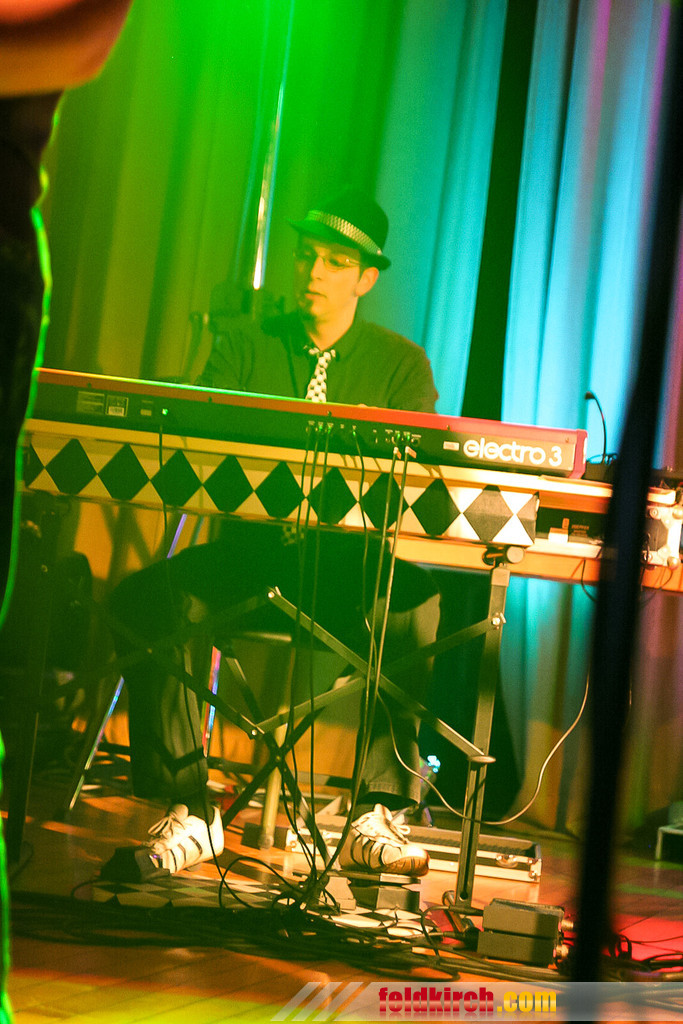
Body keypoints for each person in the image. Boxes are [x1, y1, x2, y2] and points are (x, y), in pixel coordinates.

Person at [108, 187, 442, 880]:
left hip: (347, 569)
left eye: (335, 261)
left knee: (413, 603)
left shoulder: (400, 365)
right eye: (306, 255)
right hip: (251, 559)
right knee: (145, 598)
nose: (314, 271)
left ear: (366, 279)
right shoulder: (244, 345)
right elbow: (201, 447)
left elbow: (414, 477)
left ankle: (378, 812)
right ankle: (188, 806)